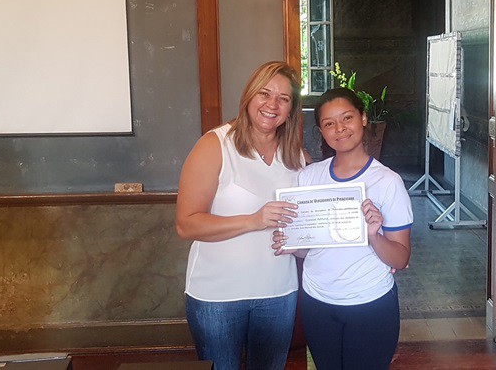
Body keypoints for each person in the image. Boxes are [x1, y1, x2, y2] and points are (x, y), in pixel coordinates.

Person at [176, 61, 305, 370]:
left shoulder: (297, 156)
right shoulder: (215, 145)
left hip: (279, 292)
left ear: (291, 109)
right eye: (264, 93)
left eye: (283, 98)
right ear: (249, 95)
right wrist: (254, 220)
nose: (272, 104)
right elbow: (186, 224)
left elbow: (312, 218)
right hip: (217, 295)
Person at [273, 86, 413, 370]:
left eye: (347, 118)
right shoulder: (309, 177)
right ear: (321, 132)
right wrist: (290, 244)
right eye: (329, 123)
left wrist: (374, 236)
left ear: (363, 118)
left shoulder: (388, 182)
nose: (340, 129)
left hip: (370, 302)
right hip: (317, 302)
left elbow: (400, 259)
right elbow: (309, 250)